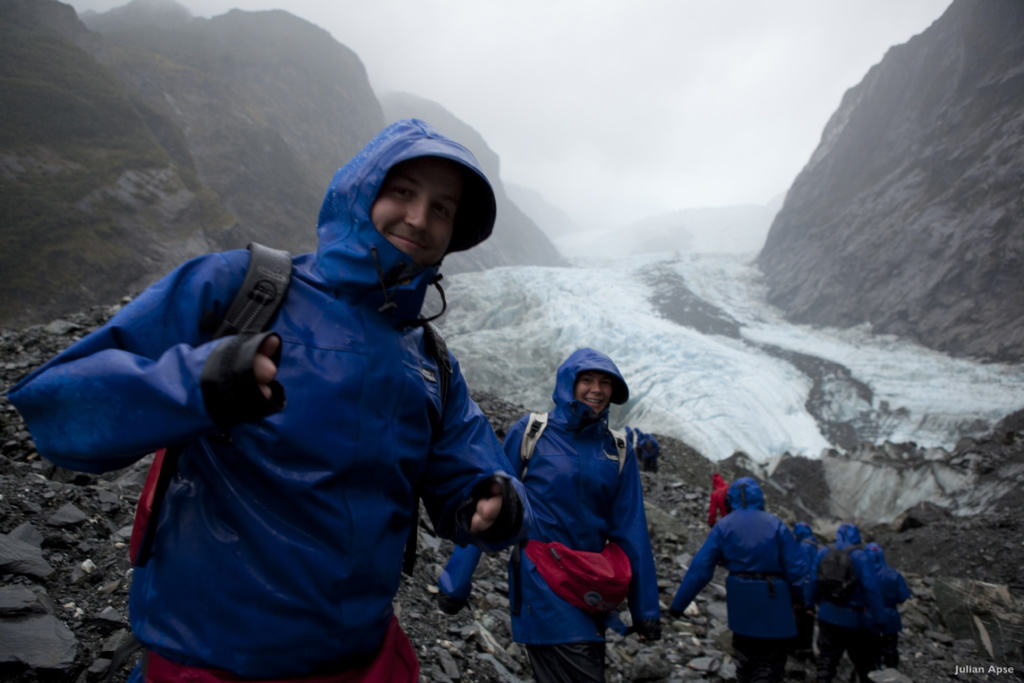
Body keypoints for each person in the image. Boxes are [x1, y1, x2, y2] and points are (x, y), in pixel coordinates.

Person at [7, 119, 533, 681]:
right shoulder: (242, 287)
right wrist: (199, 384)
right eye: (402, 191)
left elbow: (468, 466)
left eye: (442, 208)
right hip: (211, 654)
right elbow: (55, 407)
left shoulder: (429, 358)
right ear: (359, 192)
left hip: (361, 656)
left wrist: (492, 501)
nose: (418, 218)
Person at [437, 348, 661, 683]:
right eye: (587, 380)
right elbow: (492, 508)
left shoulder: (618, 451)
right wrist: (454, 582)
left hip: (591, 586)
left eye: (604, 382)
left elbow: (632, 531)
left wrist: (646, 612)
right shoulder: (531, 434)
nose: (596, 390)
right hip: (542, 582)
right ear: (568, 383)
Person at [669, 477, 807, 683]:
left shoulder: (724, 526)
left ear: (730, 499)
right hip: (775, 607)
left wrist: (677, 606)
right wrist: (801, 600)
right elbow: (797, 571)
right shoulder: (775, 524)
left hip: (741, 610)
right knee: (770, 666)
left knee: (745, 665)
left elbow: (700, 570)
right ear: (759, 497)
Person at [806, 523, 886, 683]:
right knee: (862, 661)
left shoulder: (823, 551)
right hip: (854, 618)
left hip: (827, 614)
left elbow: (813, 581)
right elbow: (871, 588)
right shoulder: (861, 556)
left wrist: (809, 604)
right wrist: (879, 618)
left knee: (826, 659)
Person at [864, 542, 911, 670]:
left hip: (869, 616)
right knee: (890, 648)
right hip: (890, 617)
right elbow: (903, 596)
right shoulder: (893, 574)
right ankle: (892, 672)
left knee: (871, 649)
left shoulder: (862, 575)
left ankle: (873, 672)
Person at [790, 521, 821, 661]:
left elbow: (802, 574)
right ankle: (806, 648)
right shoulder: (814, 546)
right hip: (811, 592)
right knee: (808, 620)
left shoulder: (803, 547)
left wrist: (797, 595)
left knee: (800, 619)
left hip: (803, 592)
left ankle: (799, 651)